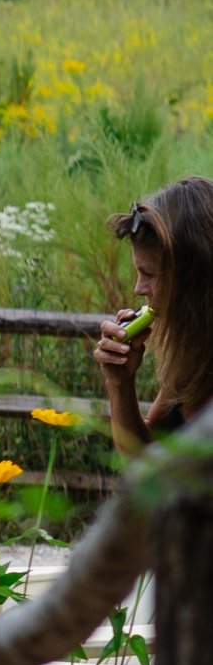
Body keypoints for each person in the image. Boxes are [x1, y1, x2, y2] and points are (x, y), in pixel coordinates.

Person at [93, 176, 213, 457]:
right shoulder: (192, 356)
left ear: (193, 280)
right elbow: (144, 466)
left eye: (149, 274)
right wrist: (120, 383)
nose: (138, 289)